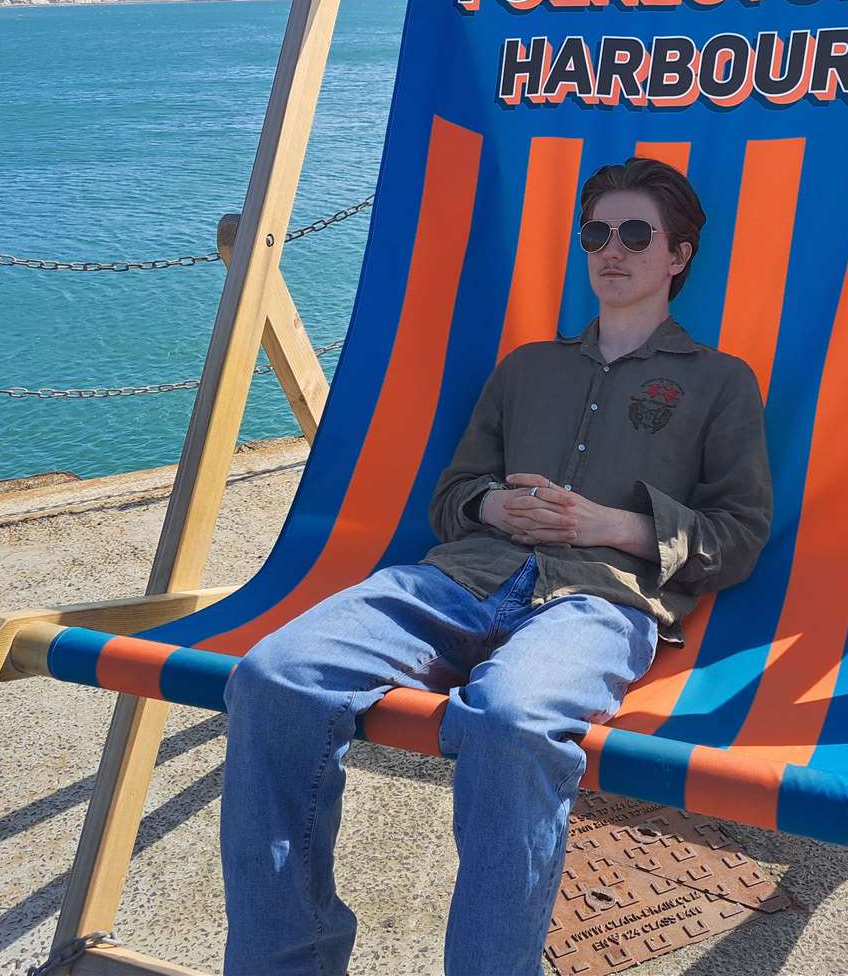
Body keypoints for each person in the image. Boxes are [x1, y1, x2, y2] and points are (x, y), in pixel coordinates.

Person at [220, 157, 773, 975]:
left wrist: (611, 523)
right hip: (459, 579)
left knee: (511, 723)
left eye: (633, 234)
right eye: (595, 234)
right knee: (273, 677)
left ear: (678, 255)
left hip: (597, 603)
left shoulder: (719, 383)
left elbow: (739, 534)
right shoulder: (527, 369)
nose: (609, 250)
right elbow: (451, 495)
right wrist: (488, 507)